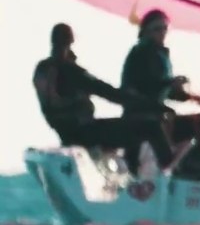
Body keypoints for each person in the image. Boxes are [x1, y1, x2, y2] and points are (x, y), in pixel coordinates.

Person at [32, 23, 177, 175]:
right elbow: (110, 93)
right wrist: (156, 106)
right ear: (70, 42)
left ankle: (132, 172)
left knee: (131, 127)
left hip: (66, 134)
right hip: (86, 133)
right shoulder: (69, 70)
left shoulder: (41, 70)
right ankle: (170, 174)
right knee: (151, 127)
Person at [119, 9, 200, 146]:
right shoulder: (141, 52)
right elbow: (145, 86)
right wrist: (171, 83)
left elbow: (164, 91)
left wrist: (188, 96)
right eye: (157, 29)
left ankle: (174, 156)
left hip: (156, 116)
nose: (162, 32)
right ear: (146, 31)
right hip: (143, 120)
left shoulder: (159, 54)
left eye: (165, 28)